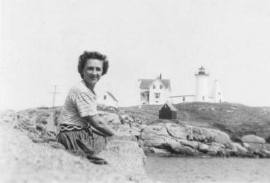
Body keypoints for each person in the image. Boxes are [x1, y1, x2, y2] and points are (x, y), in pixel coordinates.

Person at [57, 51, 115, 164]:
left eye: (98, 69)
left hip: (74, 132)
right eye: (90, 68)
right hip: (73, 136)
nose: (94, 73)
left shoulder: (86, 89)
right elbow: (97, 122)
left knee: (104, 136)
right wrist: (114, 134)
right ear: (82, 71)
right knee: (109, 140)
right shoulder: (82, 91)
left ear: (103, 72)